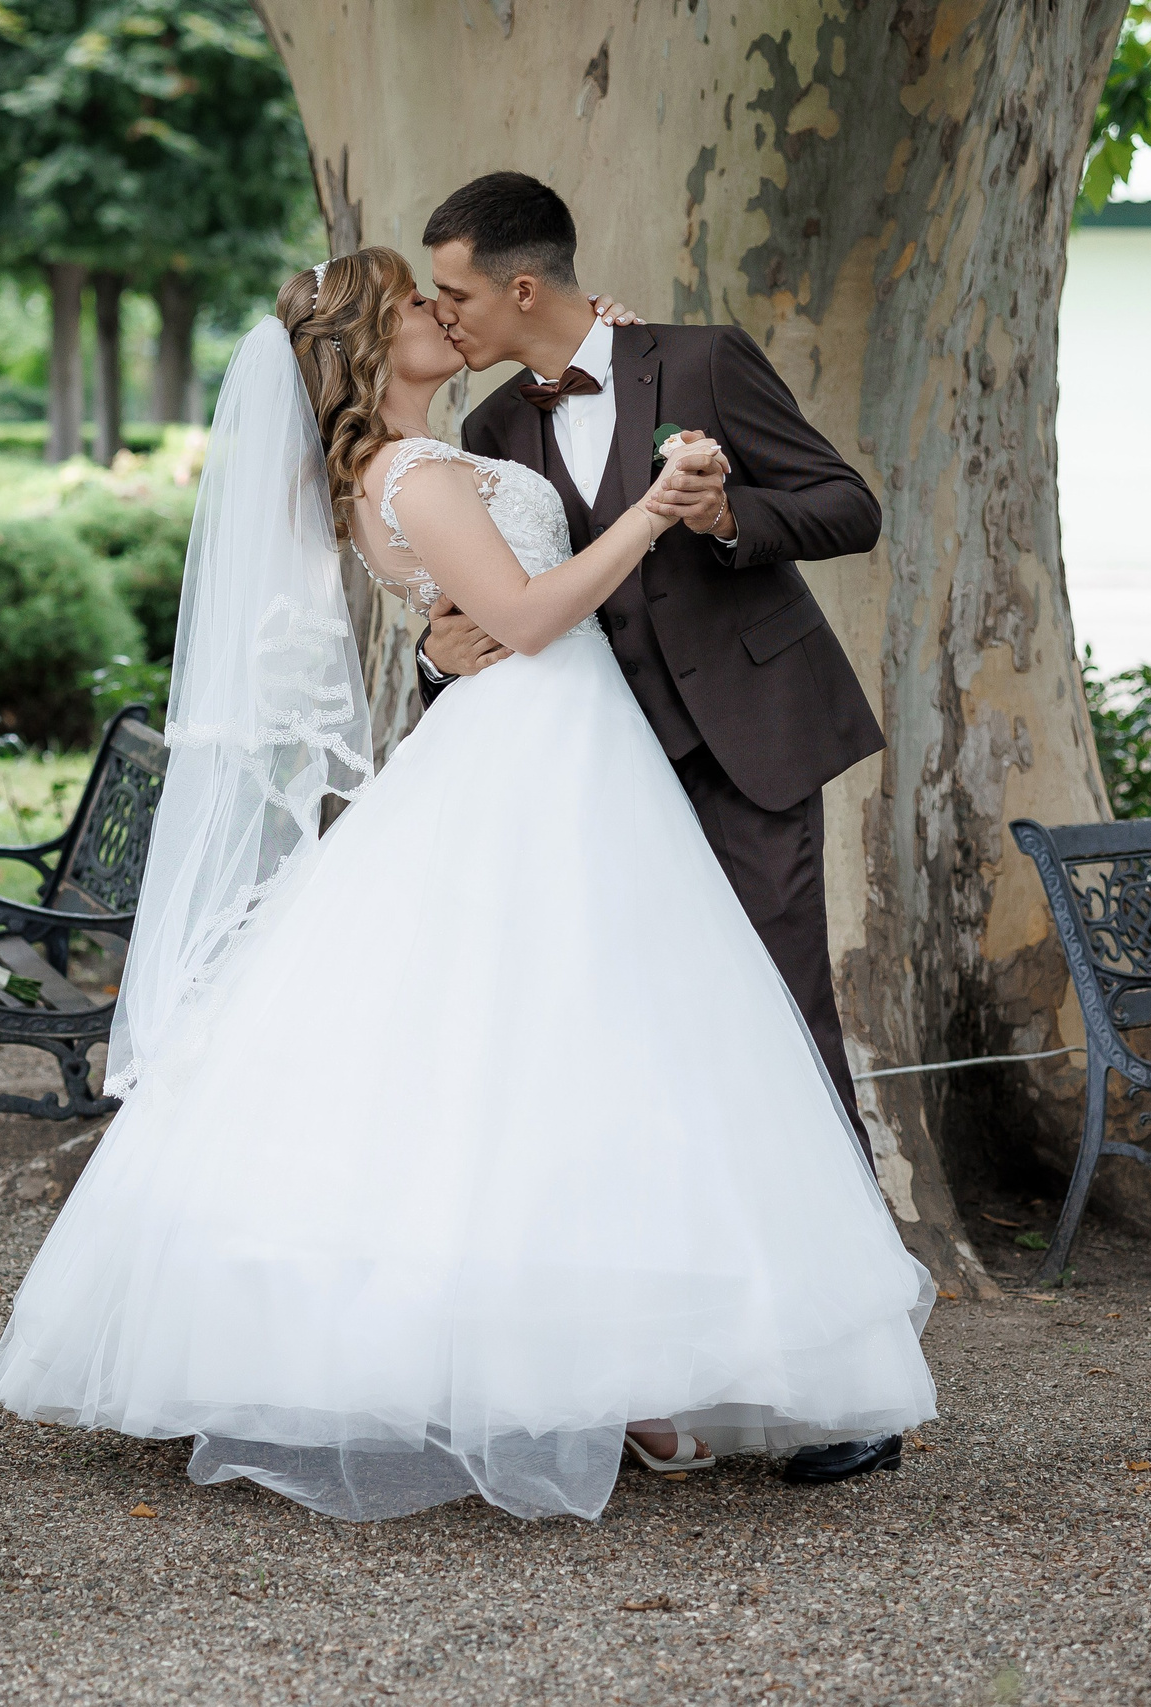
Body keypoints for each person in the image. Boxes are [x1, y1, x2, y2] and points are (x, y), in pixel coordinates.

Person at [0, 245, 934, 1524]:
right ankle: (564, 1370)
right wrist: (642, 521)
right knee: (524, 1055)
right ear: (371, 344)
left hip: (610, 748)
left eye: (450, 294)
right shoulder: (418, 465)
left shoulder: (480, 437)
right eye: (415, 304)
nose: (441, 313)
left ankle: (641, 1370)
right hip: (539, 757)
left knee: (620, 1052)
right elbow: (524, 616)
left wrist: (619, 493)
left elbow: (509, 592)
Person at [419, 172, 901, 1487]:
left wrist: (730, 513)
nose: (441, 312)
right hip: (592, 785)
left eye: (454, 289)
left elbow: (849, 505)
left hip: (742, 754)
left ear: (523, 287)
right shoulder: (480, 427)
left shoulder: (698, 359)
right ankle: (671, 1353)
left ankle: (855, 1378)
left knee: (783, 1023)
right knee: (631, 1061)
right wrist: (436, 644)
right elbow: (493, 607)